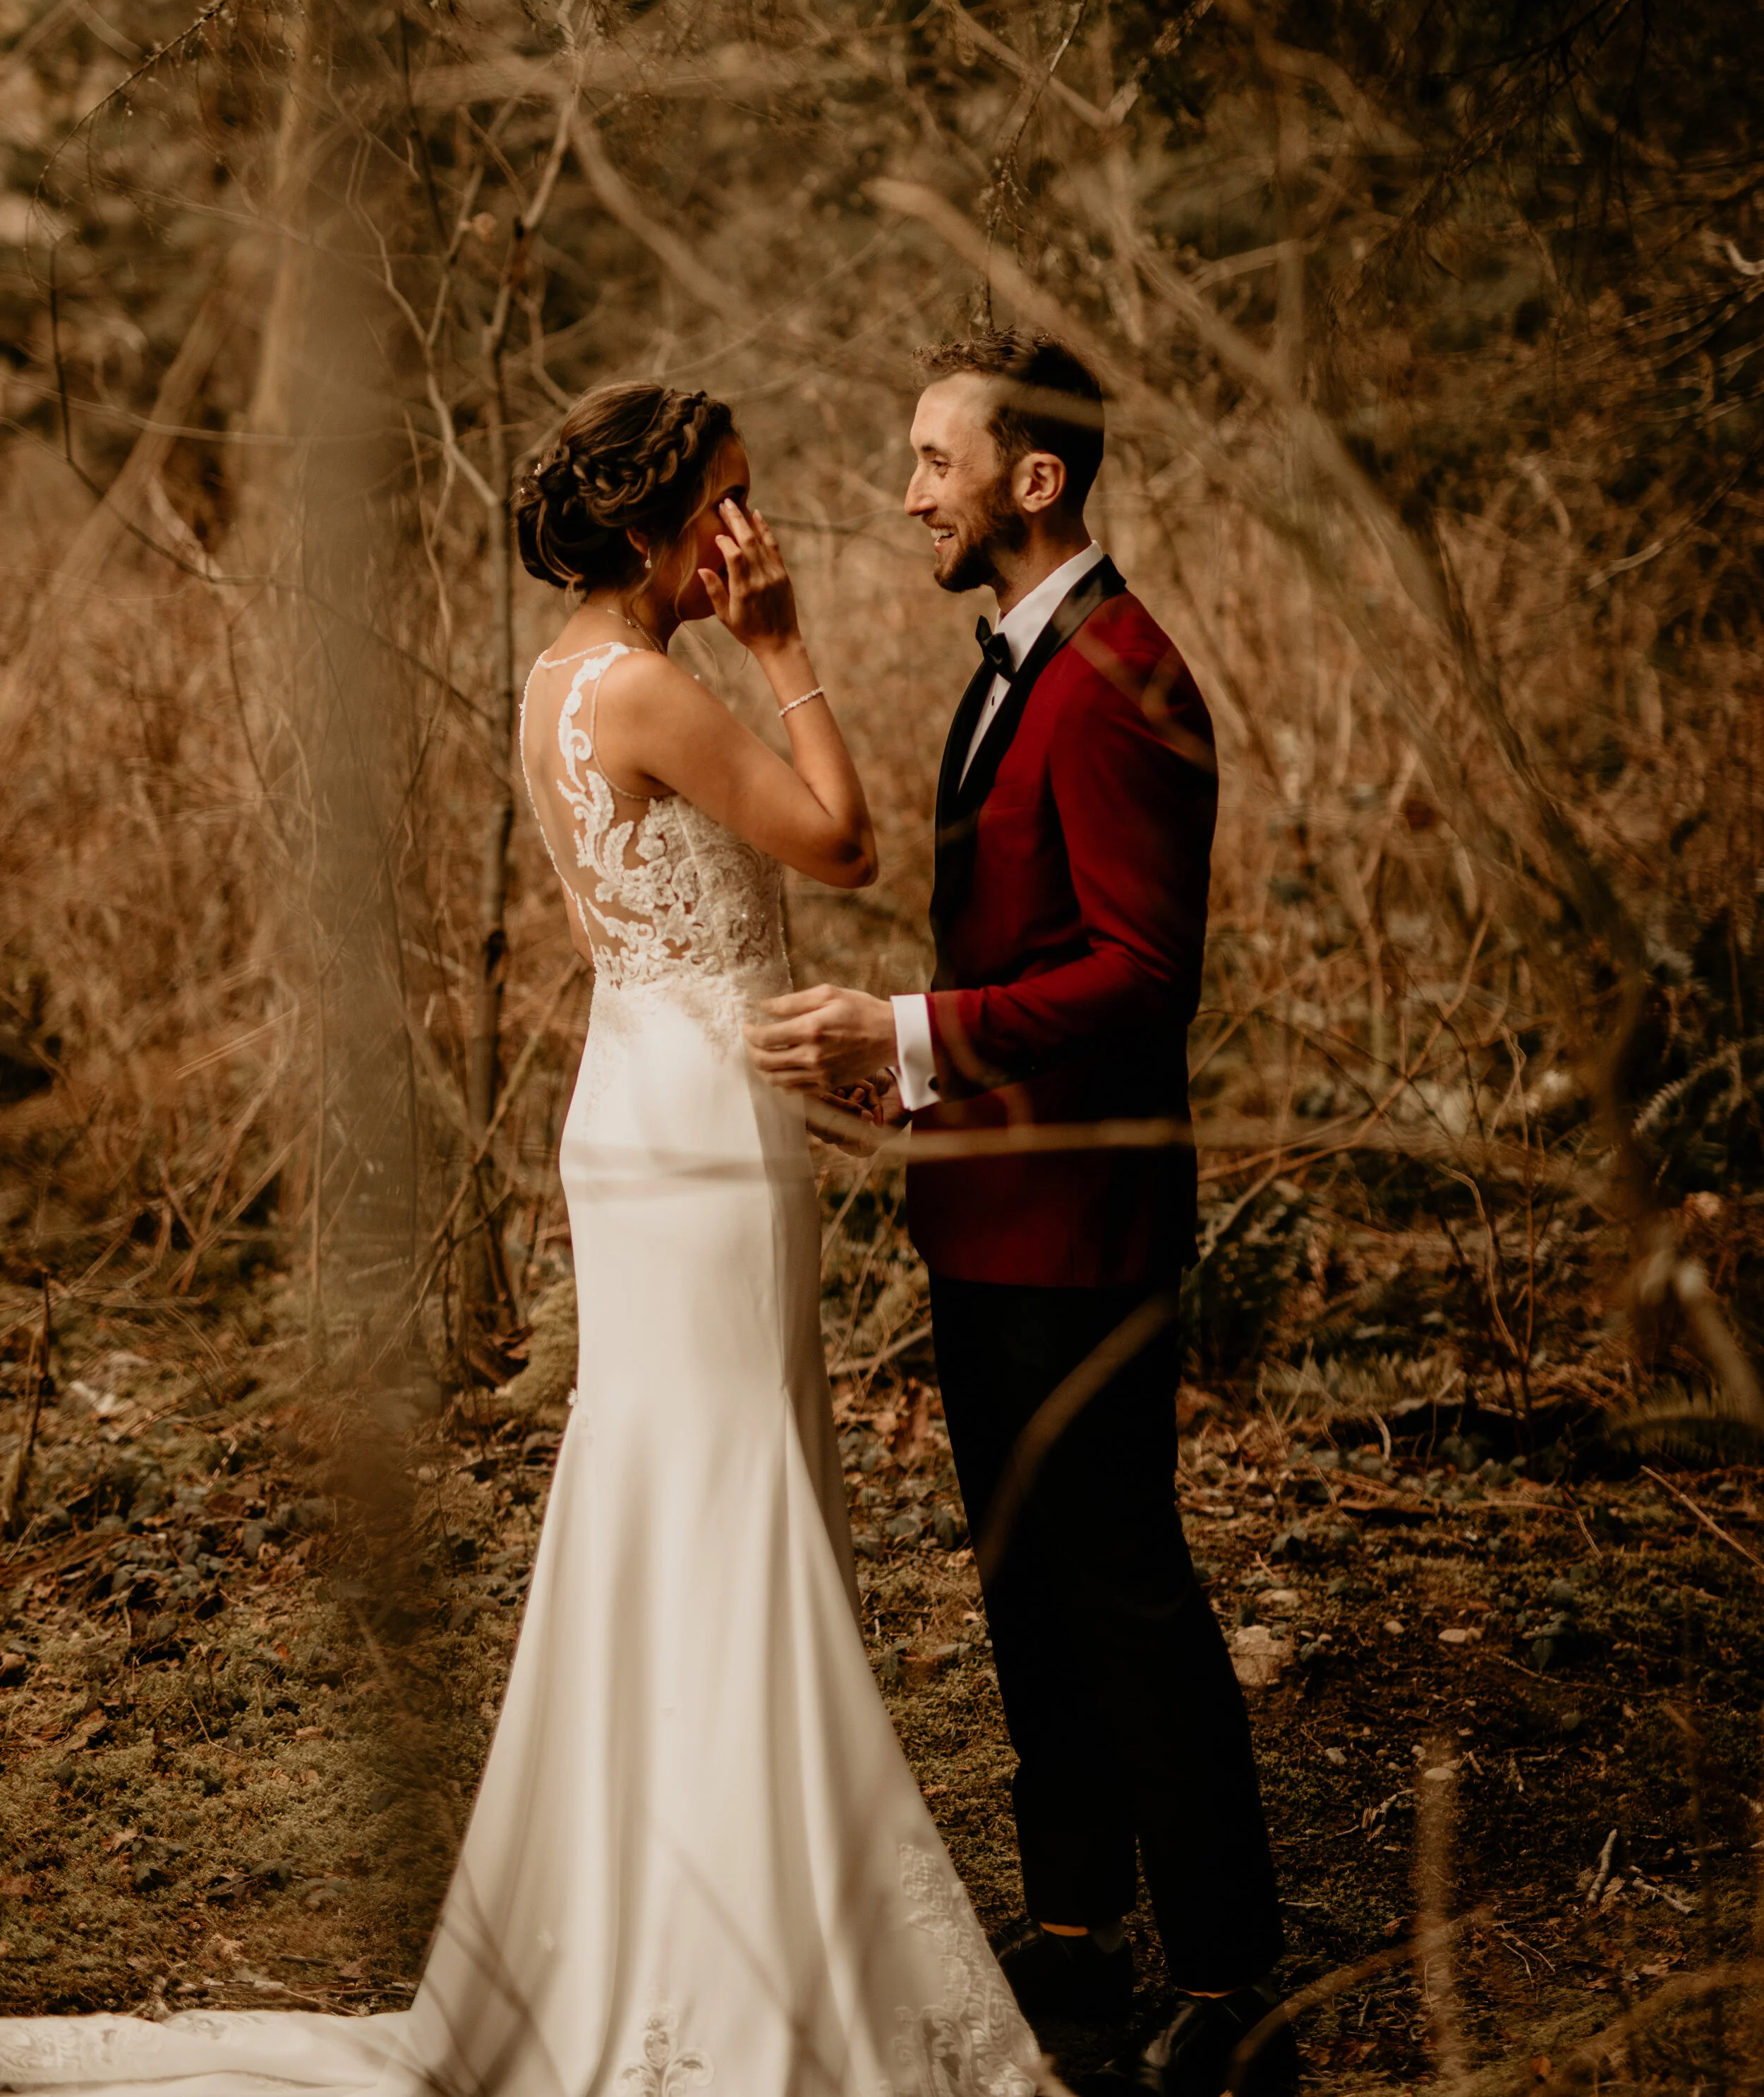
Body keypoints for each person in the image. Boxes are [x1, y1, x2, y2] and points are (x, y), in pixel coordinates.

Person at [0, 380, 1042, 2097]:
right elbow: (843, 844)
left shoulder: (558, 677)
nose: (746, 533)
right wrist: (786, 650)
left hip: (639, 1091)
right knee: (728, 1490)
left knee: (673, 1484)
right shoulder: (648, 687)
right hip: (699, 1117)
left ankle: (679, 1888)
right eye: (723, 503)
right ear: (647, 528)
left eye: (750, 504)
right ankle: (734, 1922)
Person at [745, 335, 1293, 2097]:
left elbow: (1139, 977)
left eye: (930, 459)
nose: (907, 491)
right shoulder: (1014, 663)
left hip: (1086, 1235)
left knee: (1122, 1593)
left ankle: (1232, 1983)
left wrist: (907, 1034)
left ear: (1028, 479)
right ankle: (1074, 1938)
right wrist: (897, 1081)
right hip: (985, 1216)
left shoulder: (1124, 678)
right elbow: (1017, 947)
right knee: (1022, 1593)